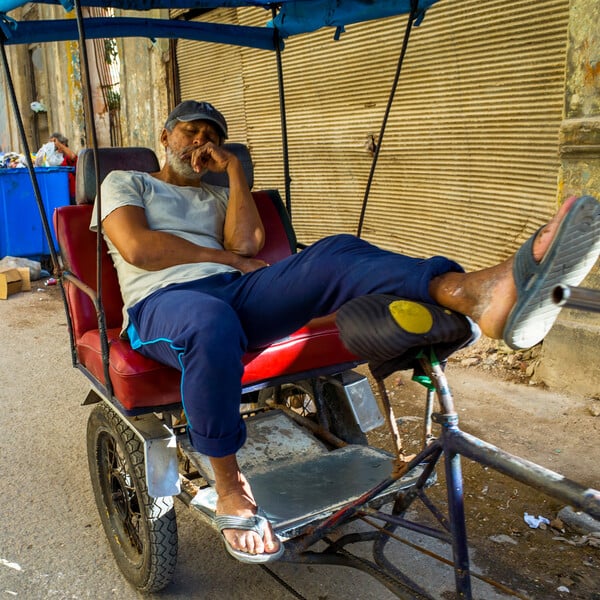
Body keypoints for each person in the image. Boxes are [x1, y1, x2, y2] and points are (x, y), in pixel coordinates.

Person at [91, 100, 600, 564]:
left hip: (236, 290)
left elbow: (247, 247)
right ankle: (229, 485)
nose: (200, 142)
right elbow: (138, 249)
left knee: (333, 252)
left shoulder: (218, 194)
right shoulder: (126, 183)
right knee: (211, 321)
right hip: (164, 305)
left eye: (212, 135)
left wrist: (237, 175)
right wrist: (223, 258)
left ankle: (475, 293)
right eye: (190, 131)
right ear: (165, 135)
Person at [35, 132, 78, 201]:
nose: (54, 150)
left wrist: (59, 144)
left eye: (55, 147)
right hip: (57, 194)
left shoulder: (67, 158)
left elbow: (73, 157)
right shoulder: (52, 161)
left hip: (71, 195)